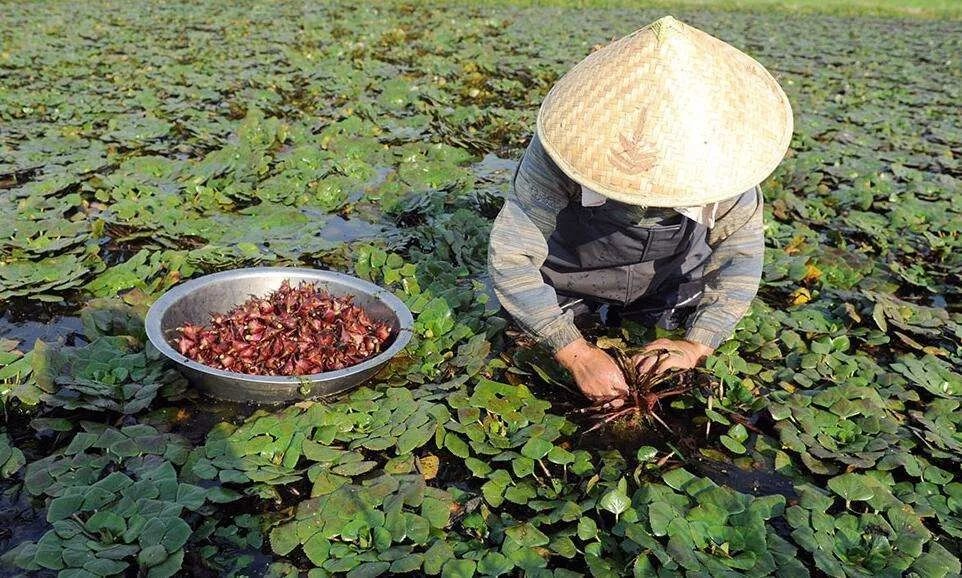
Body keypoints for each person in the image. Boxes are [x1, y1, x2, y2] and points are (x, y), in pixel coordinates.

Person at [487, 16, 793, 403]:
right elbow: (512, 255)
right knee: (522, 348)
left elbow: (740, 260)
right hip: (568, 274)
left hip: (671, 278)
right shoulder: (563, 149)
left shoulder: (724, 165)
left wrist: (696, 345)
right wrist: (575, 353)